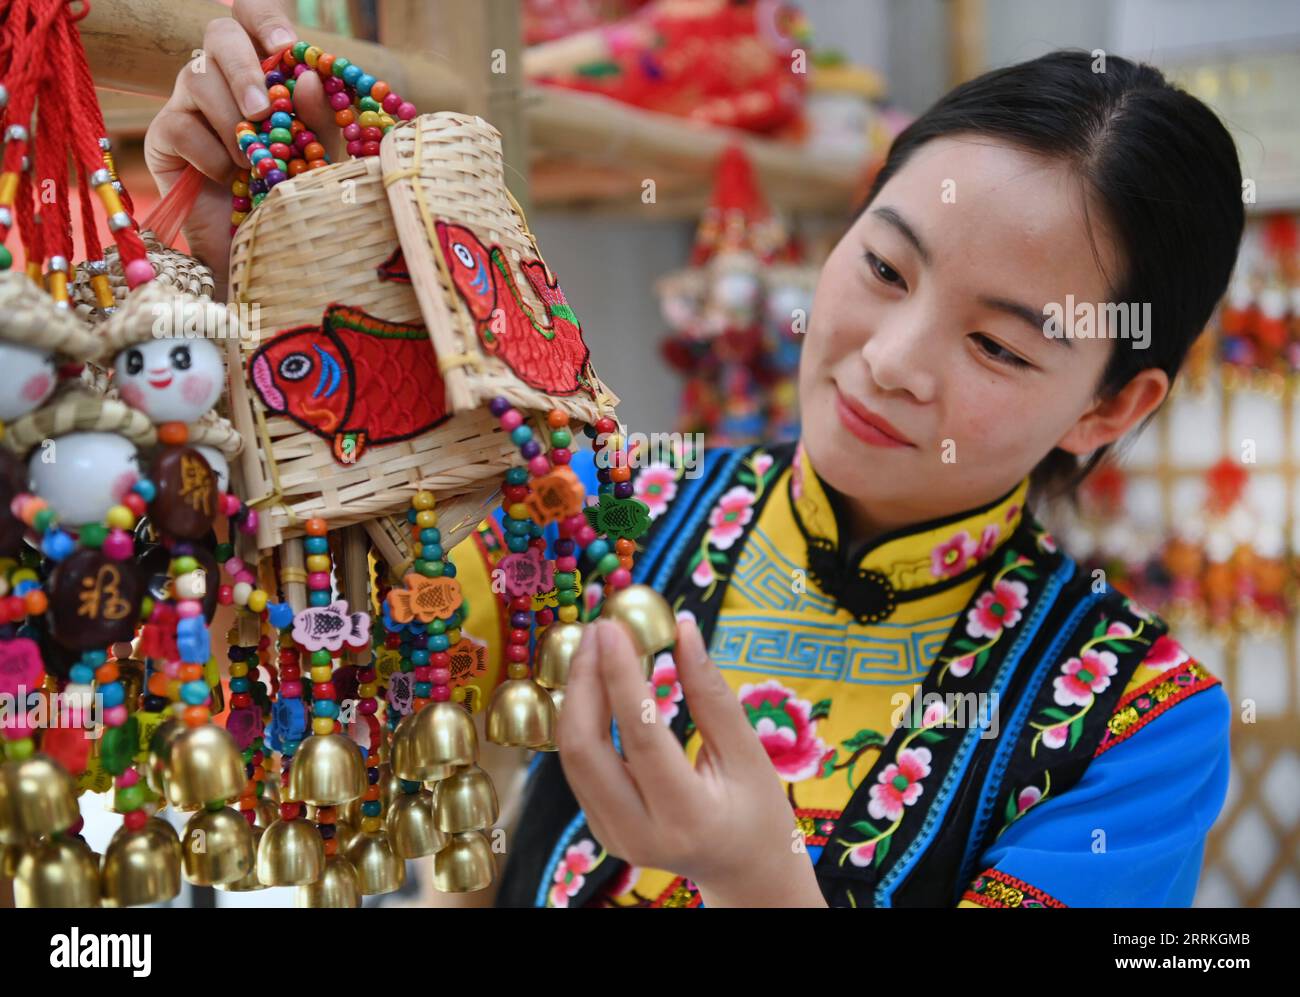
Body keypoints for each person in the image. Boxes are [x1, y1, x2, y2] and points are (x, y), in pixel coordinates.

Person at [146, 1, 1240, 908]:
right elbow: (307, 670)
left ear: (1110, 405)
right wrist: (268, 286)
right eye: (888, 271)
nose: (892, 361)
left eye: (997, 344)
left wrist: (756, 880)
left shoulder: (1138, 721)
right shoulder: (607, 502)